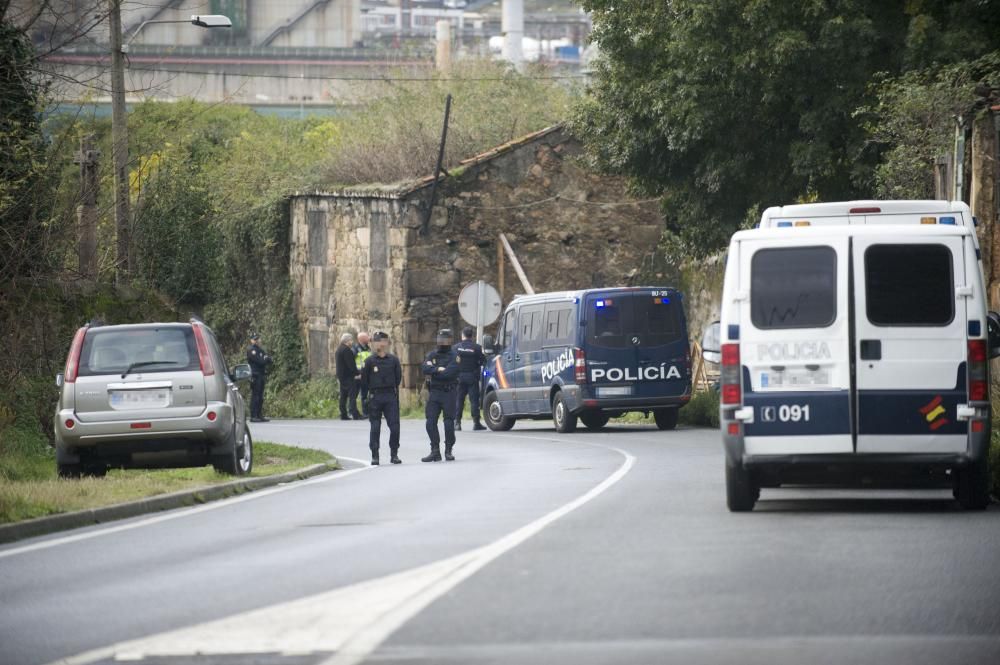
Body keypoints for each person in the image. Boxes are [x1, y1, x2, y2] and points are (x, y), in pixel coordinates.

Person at [360, 331, 402, 466]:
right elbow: (364, 381)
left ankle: (394, 453)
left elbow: (398, 378)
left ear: (386, 343)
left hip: (390, 396)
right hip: (375, 396)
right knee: (375, 427)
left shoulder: (394, 360)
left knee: (394, 426)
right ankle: (375, 454)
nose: (378, 344)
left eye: (381, 341)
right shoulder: (369, 362)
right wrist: (366, 398)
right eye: (376, 341)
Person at [422, 329, 460, 462]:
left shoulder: (455, 355)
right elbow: (425, 368)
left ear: (450, 340)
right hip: (435, 392)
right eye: (440, 339)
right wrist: (438, 369)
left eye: (445, 339)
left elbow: (450, 373)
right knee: (430, 421)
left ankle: (448, 450)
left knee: (448, 422)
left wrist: (434, 371)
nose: (442, 342)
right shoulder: (432, 355)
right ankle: (435, 450)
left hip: (449, 392)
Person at [453, 326, 486, 431]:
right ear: (471, 336)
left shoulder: (455, 347)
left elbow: (451, 362)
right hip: (472, 377)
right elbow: (483, 361)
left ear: (463, 335)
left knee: (459, 400)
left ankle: (457, 423)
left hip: (459, 377)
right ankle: (476, 423)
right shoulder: (477, 347)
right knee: (474, 400)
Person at [246, 333, 273, 423]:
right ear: (251, 340)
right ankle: (253, 415)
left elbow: (270, 360)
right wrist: (265, 359)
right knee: (255, 396)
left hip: (261, 375)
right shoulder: (251, 350)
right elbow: (261, 361)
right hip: (255, 375)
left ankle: (259, 415)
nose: (257, 341)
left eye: (258, 339)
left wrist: (265, 359)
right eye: (255, 339)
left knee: (260, 396)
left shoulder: (260, 350)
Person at [335, 333, 361, 420]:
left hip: (341, 376)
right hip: (348, 376)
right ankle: (355, 414)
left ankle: (343, 414)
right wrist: (357, 373)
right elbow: (351, 364)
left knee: (343, 396)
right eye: (351, 340)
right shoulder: (347, 350)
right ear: (347, 341)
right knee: (352, 395)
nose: (352, 342)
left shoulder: (339, 349)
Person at [354, 332, 373, 417]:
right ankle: (362, 412)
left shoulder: (367, 348)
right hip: (359, 374)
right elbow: (351, 362)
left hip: (368, 374)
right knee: (360, 394)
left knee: (368, 393)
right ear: (361, 339)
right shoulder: (356, 348)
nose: (369, 338)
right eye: (366, 337)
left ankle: (369, 411)